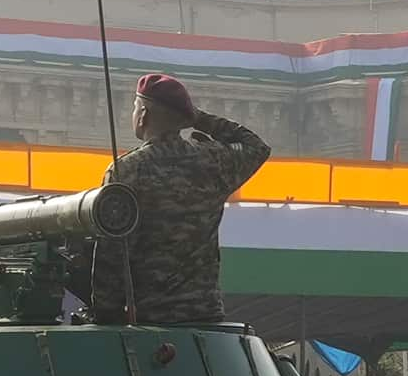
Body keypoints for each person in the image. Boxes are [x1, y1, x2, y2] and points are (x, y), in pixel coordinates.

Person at [82, 74, 271, 325]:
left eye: (135, 107)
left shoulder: (128, 170)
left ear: (143, 115)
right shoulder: (213, 161)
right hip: (206, 314)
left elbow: (113, 249)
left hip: (151, 316)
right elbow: (257, 146)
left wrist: (107, 313)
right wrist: (199, 118)